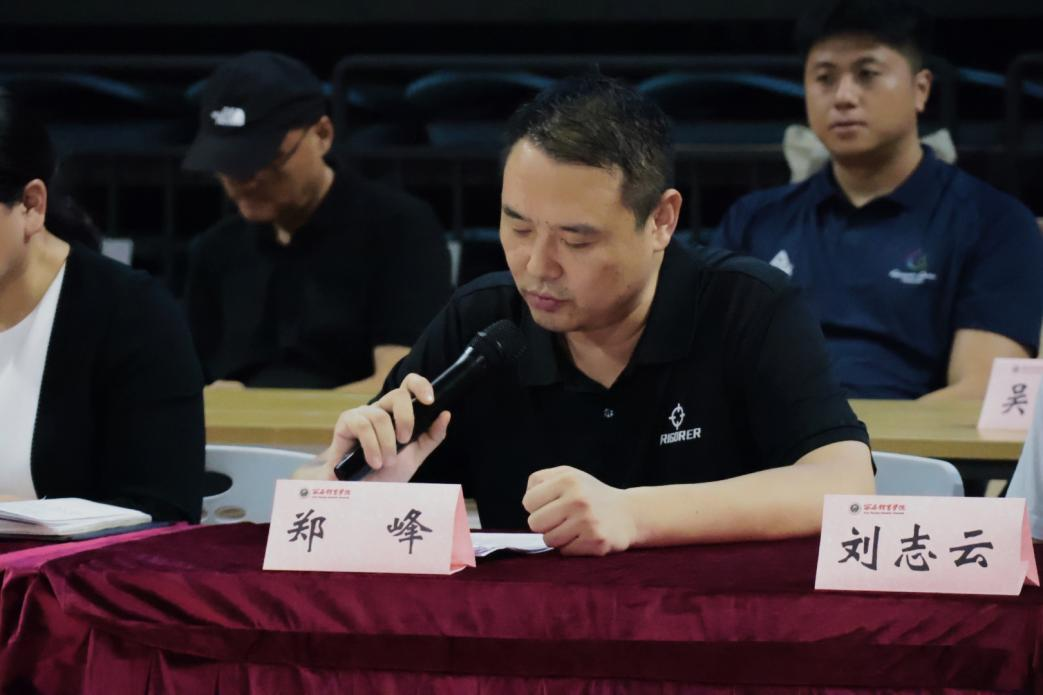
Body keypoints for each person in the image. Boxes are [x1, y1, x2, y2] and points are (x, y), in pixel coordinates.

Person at [296, 75, 875, 556]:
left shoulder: (747, 305)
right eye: (518, 227)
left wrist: (635, 515)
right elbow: (317, 506)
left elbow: (844, 482)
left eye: (576, 240)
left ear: (661, 220)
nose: (537, 266)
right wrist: (355, 482)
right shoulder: (482, 321)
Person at [715, 0, 1043, 400]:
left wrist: (847, 436)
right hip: (770, 436)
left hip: (914, 437)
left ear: (920, 89)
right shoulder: (753, 220)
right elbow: (708, 364)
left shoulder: (996, 223)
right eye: (825, 78)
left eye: (867, 74)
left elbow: (980, 392)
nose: (843, 97)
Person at [183, 52, 451, 391]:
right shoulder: (215, 250)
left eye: (266, 160)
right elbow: (187, 377)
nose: (245, 181)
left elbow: (400, 382)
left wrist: (261, 409)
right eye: (228, 164)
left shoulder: (401, 230)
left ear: (322, 134)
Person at [0, 91, 204, 522]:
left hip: (74, 567)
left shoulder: (133, 316)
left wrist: (27, 518)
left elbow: (163, 512)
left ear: (31, 205)